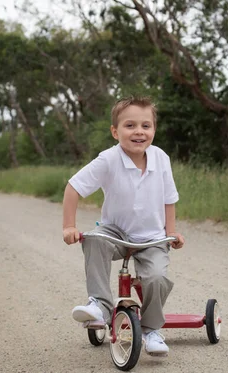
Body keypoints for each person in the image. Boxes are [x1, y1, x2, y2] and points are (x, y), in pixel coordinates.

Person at [62, 95, 185, 356]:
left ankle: (151, 330)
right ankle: (100, 305)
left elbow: (169, 199)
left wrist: (170, 233)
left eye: (146, 126)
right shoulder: (108, 159)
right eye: (130, 126)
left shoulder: (161, 158)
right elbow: (73, 187)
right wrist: (69, 226)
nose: (139, 131)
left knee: (156, 277)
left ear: (153, 130)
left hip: (151, 237)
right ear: (115, 132)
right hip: (115, 232)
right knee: (94, 238)